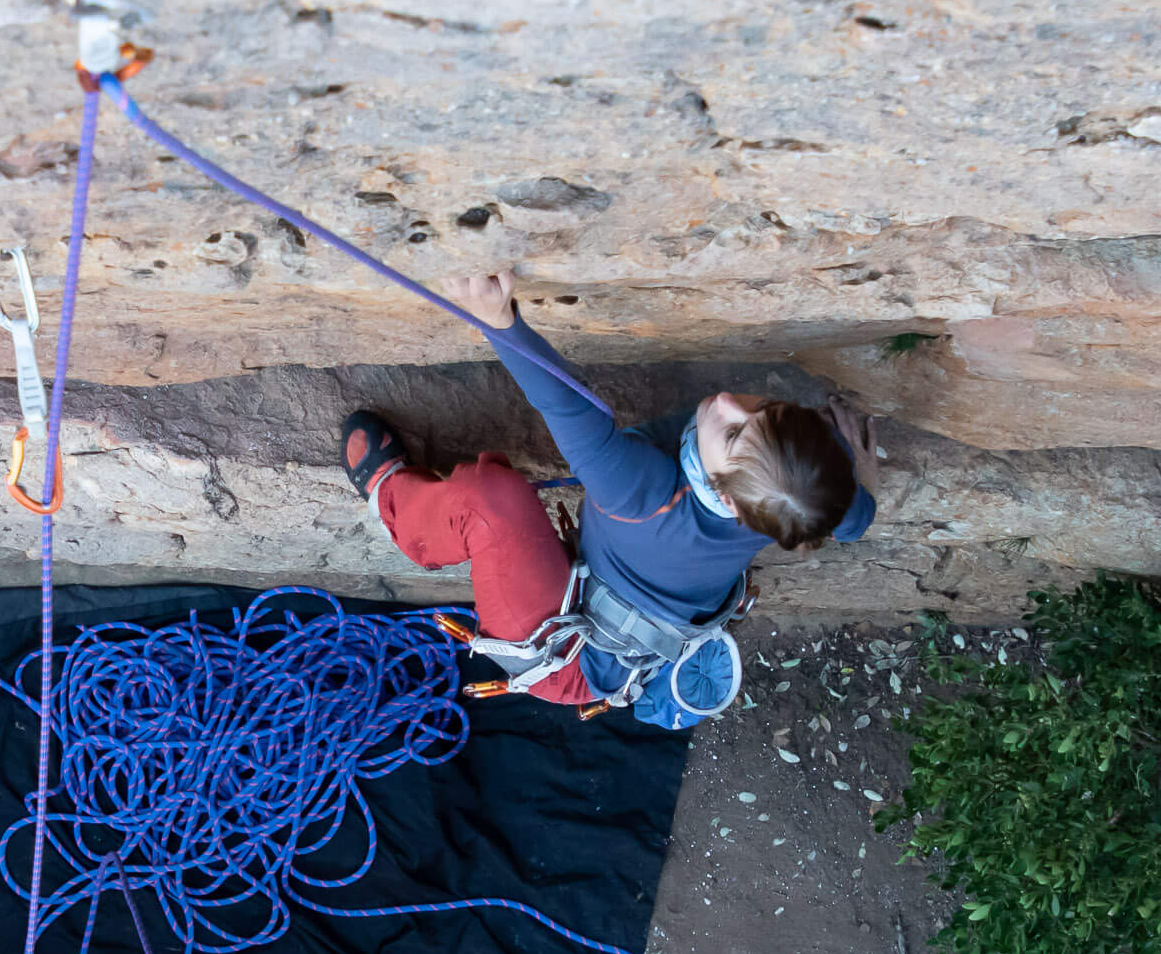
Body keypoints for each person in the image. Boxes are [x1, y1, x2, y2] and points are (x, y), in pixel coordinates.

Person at [341, 269, 880, 725]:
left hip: (569, 658)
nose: (725, 403)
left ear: (725, 495)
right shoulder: (800, 496)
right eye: (765, 411)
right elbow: (853, 519)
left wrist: (498, 318)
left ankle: (391, 500)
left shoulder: (644, 492)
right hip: (624, 623)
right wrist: (861, 470)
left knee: (492, 500)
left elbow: (574, 412)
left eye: (734, 434)